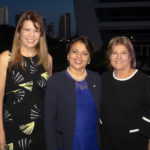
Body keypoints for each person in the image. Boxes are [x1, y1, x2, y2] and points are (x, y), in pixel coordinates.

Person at [0, 10, 52, 150]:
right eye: (27, 29)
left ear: (41, 34)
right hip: (12, 128)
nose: (31, 35)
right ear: (19, 32)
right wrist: (0, 133)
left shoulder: (47, 59)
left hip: (41, 130)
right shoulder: (6, 58)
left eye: (36, 30)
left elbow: (48, 98)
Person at [44, 36, 101, 150]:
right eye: (75, 51)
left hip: (93, 144)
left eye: (84, 53)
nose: (79, 57)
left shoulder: (98, 80)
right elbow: (49, 122)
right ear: (68, 55)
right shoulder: (54, 82)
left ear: (89, 59)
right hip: (66, 144)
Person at [100, 36, 150, 150]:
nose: (118, 57)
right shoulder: (104, 78)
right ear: (109, 56)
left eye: (123, 53)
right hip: (106, 142)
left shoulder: (143, 82)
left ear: (130, 56)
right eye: (114, 53)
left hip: (134, 143)